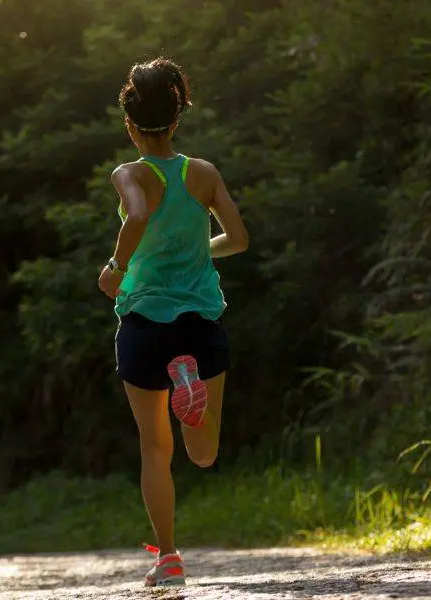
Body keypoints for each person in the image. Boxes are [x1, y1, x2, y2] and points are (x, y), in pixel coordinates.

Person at [97, 56, 249, 588]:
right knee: (202, 454)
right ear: (177, 119)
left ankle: (169, 557)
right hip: (200, 324)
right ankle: (189, 380)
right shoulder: (202, 174)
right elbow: (239, 239)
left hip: (143, 324)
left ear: (130, 125)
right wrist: (198, 254)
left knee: (154, 449)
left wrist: (118, 268)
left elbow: (137, 215)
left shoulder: (128, 173)